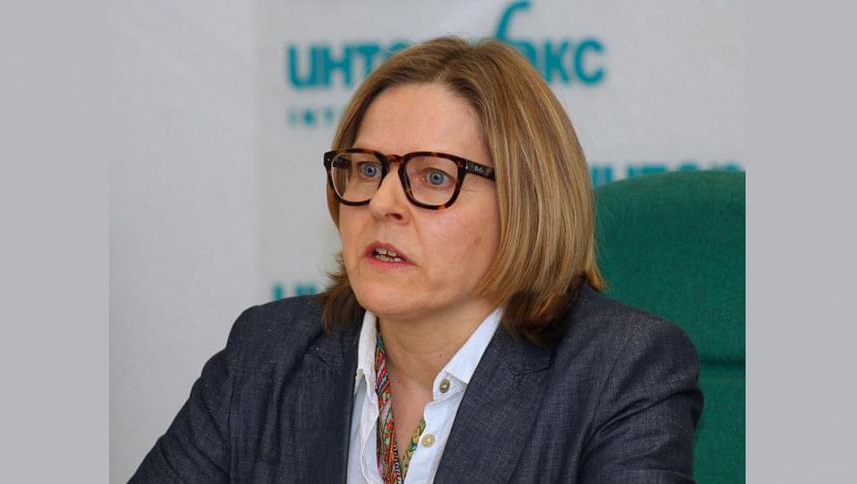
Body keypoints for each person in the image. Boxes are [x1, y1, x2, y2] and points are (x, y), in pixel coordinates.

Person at [131, 36, 702, 483]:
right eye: (368, 168)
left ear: (525, 203)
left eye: (432, 177)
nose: (383, 203)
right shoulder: (266, 354)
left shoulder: (620, 372)